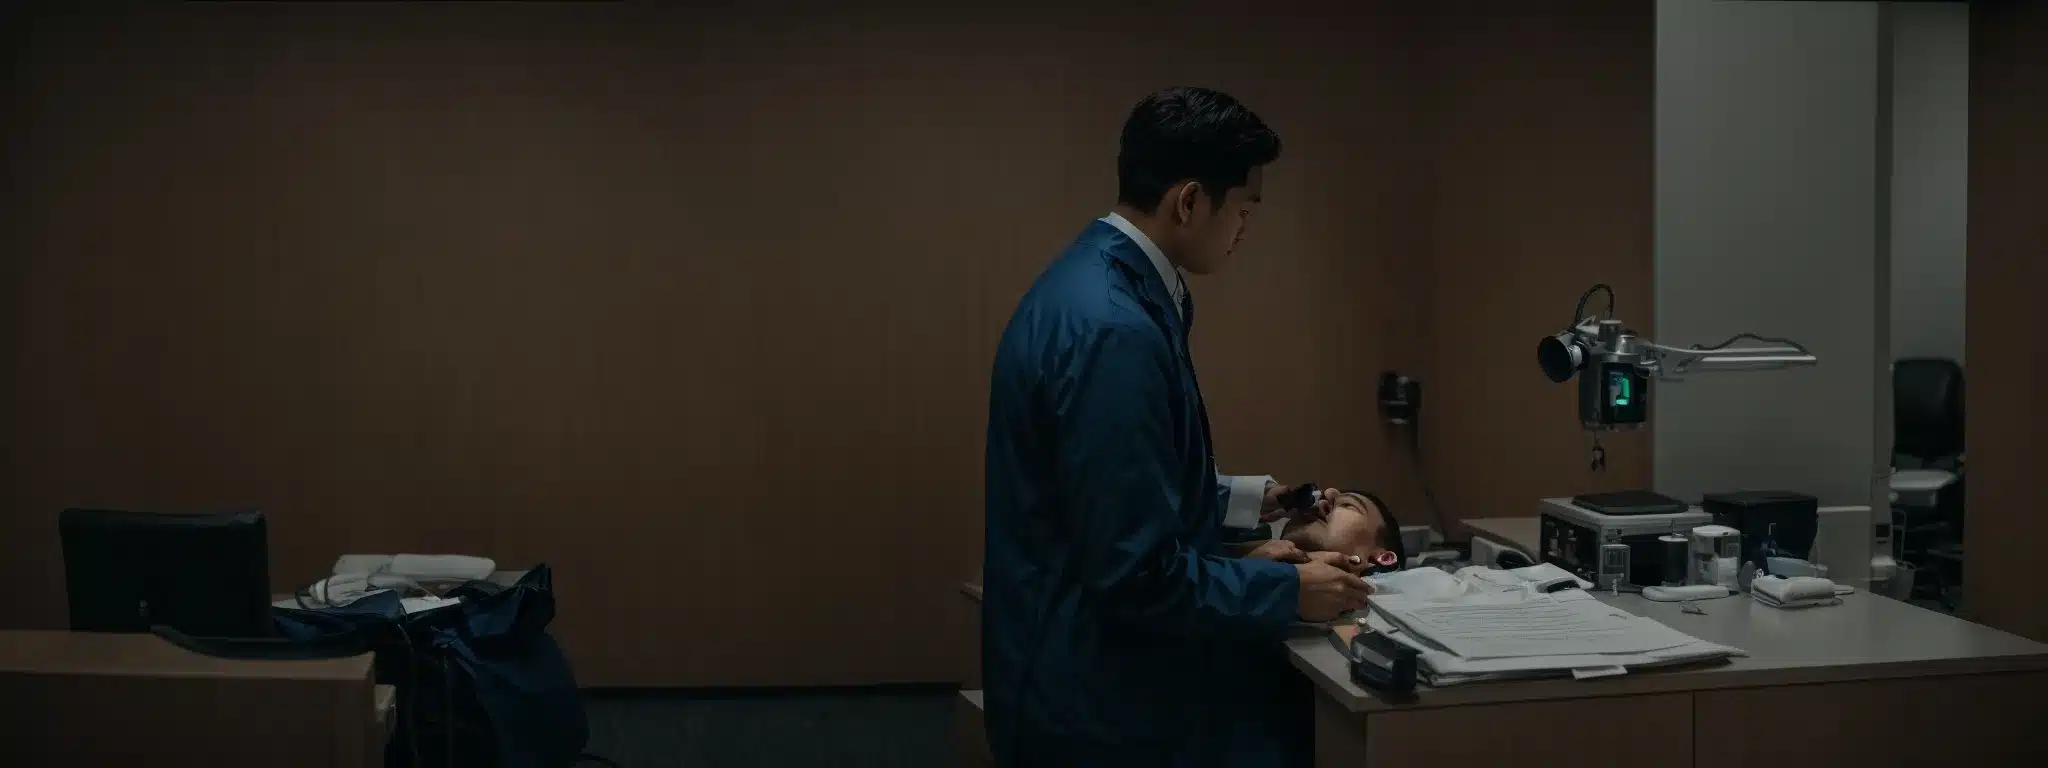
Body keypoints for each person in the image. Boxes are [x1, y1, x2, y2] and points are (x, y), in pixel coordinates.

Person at [982, 86, 1373, 768]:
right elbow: (1135, 575)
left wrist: (1253, 500)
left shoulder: (1100, 283)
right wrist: (1288, 590)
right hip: (1091, 698)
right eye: (1245, 208)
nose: (1247, 228)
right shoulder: (1115, 330)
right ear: (1190, 201)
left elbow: (1110, 482)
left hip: (1069, 660)